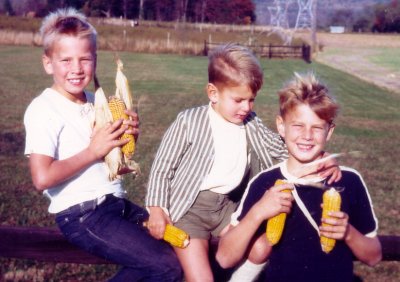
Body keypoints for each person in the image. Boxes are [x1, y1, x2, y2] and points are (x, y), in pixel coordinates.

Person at [145, 44, 341, 282]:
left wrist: (320, 161)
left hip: (229, 208)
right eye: (239, 100)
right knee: (202, 278)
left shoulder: (250, 122)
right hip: (190, 211)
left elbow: (278, 148)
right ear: (213, 93)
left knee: (260, 248)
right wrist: (156, 209)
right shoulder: (189, 121)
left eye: (251, 100)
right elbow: (162, 167)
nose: (246, 107)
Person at [24, 8, 182, 282]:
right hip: (84, 215)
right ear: (48, 63)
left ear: (95, 61)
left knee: (174, 249)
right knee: (165, 266)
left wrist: (127, 140)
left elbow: (108, 168)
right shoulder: (44, 108)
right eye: (66, 60)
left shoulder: (95, 103)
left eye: (85, 59)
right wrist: (93, 151)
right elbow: (42, 178)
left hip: (114, 204)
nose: (76, 68)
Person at [216, 72, 382, 282]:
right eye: (298, 125)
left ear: (329, 132)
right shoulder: (264, 183)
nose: (307, 136)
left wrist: (348, 233)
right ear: (281, 126)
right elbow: (224, 258)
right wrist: (258, 212)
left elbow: (374, 257)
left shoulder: (349, 181)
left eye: (316, 128)